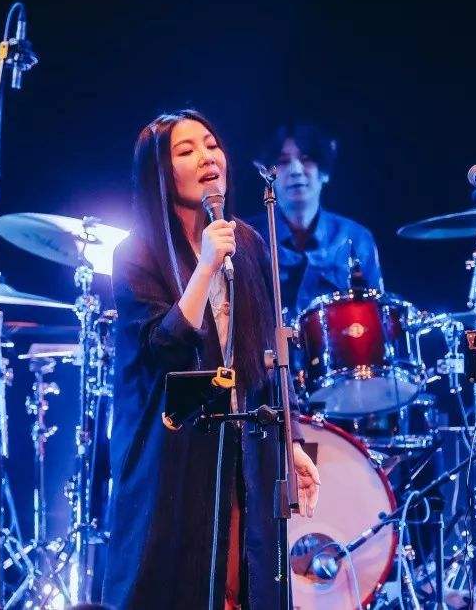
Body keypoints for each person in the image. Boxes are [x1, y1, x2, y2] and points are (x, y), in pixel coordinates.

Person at [102, 110, 320, 610]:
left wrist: (290, 441)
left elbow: (267, 356)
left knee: (246, 579)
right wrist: (204, 266)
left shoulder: (248, 242)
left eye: (211, 144)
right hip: (172, 448)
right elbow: (165, 348)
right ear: (160, 173)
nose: (206, 157)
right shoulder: (136, 253)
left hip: (243, 441)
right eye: (186, 151)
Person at [247, 123, 384, 318]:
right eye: (283, 161)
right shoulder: (249, 237)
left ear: (324, 172)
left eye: (306, 159)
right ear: (268, 174)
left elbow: (377, 316)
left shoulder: (357, 237)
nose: (296, 170)